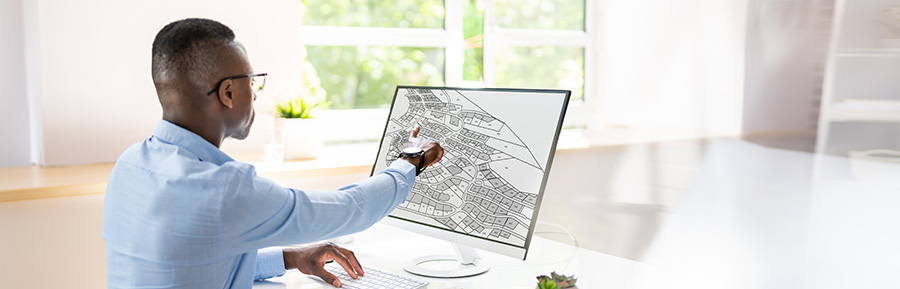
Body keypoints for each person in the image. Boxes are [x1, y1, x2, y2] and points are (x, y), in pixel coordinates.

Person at [102, 18, 443, 289]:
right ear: (228, 93)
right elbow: (347, 210)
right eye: (253, 81)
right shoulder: (222, 189)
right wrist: (410, 162)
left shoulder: (129, 166)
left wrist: (290, 258)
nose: (256, 92)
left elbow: (196, 264)